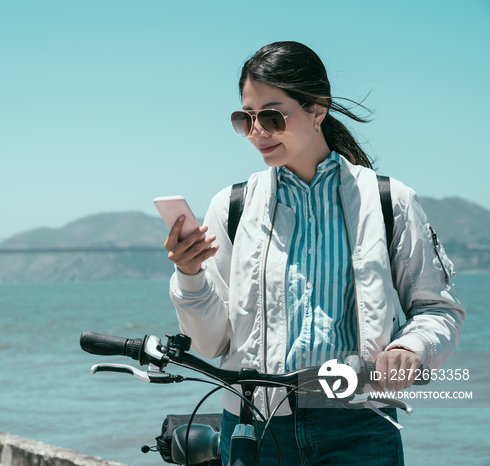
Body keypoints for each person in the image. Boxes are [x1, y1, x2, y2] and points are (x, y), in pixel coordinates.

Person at [164, 41, 465, 466]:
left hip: (361, 425)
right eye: (244, 119)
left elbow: (439, 309)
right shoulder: (231, 208)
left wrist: (411, 348)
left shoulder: (388, 201)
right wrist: (190, 275)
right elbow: (211, 342)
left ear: (318, 110)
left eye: (271, 116)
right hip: (253, 427)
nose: (256, 132)